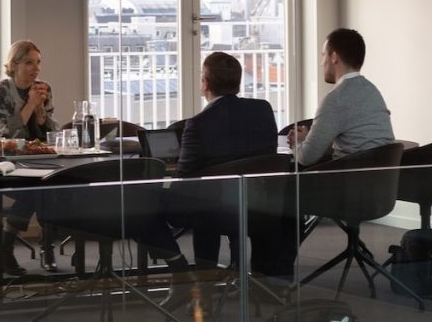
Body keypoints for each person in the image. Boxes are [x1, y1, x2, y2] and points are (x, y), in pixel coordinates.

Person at [169, 52, 294, 302]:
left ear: (205, 83)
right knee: (210, 199)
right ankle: (265, 284)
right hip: (260, 207)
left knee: (196, 203)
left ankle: (197, 281)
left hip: (218, 213)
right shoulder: (262, 110)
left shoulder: (198, 124)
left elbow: (184, 180)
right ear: (238, 82)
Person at [0, 40, 59, 275]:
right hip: (0, 160)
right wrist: (30, 105)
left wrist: (41, 115)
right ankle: (8, 246)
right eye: (28, 63)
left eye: (38, 62)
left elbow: (51, 134)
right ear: (14, 65)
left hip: (34, 159)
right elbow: (4, 134)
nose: (36, 68)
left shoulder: (43, 88)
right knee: (36, 190)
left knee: (53, 186)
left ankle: (44, 246)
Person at [289, 28, 395, 167]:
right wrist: (310, 139)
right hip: (382, 178)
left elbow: (306, 157)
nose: (321, 63)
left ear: (334, 57)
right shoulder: (373, 92)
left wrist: (297, 141)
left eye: (323, 55)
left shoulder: (335, 99)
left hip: (348, 178)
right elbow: (356, 139)